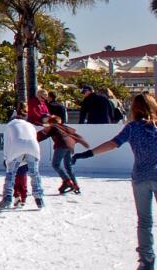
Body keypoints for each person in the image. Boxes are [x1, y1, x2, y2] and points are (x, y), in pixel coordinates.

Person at [72, 93, 157, 270]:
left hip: (140, 177)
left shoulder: (132, 127)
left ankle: (146, 262)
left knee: (144, 221)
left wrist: (88, 153)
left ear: (135, 108)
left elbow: (113, 144)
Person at [0, 107, 44, 211]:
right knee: (34, 174)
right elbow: (33, 138)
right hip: (33, 147)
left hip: (17, 146)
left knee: (10, 175)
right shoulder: (29, 125)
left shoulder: (10, 125)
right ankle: (39, 198)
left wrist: (6, 158)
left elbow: (7, 143)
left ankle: (7, 198)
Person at [37, 114, 89, 195]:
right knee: (68, 166)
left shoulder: (53, 127)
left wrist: (33, 139)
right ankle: (75, 185)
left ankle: (68, 181)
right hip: (69, 146)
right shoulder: (64, 127)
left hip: (61, 145)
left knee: (55, 164)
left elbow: (42, 136)